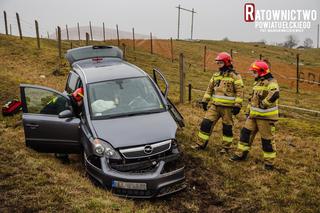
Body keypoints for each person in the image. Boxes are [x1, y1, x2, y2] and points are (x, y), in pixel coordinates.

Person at [230, 60, 280, 170]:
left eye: (254, 71)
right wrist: (248, 111)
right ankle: (240, 154)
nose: (252, 73)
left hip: (266, 118)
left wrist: (264, 104)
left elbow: (275, 94)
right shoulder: (257, 82)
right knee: (245, 134)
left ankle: (269, 163)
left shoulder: (271, 81)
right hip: (253, 116)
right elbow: (252, 99)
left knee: (267, 140)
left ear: (261, 71)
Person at [192, 52, 244, 153]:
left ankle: (226, 148)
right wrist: (205, 101)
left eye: (220, 62)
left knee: (227, 128)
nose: (218, 64)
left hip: (228, 108)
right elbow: (209, 89)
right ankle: (200, 144)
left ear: (227, 62)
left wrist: (238, 105)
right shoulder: (215, 75)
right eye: (218, 62)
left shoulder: (235, 76)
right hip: (214, 106)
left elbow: (240, 91)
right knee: (206, 123)